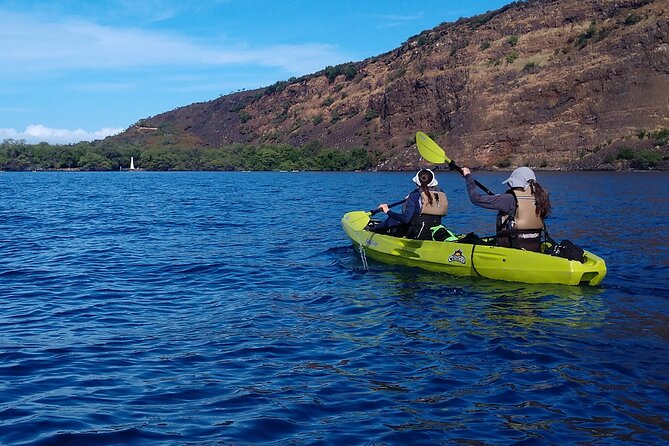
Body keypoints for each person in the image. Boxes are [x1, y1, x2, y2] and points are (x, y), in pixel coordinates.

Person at [460, 166, 551, 251]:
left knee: (471, 240)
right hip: (534, 245)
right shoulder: (541, 198)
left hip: (511, 247)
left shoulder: (509, 199)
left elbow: (476, 199)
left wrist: (468, 177)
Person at [368, 168, 448, 240]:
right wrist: (410, 198)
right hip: (431, 232)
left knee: (391, 220)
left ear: (417, 183)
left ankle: (371, 231)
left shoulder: (414, 196)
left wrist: (387, 211)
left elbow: (406, 219)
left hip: (416, 234)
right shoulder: (440, 193)